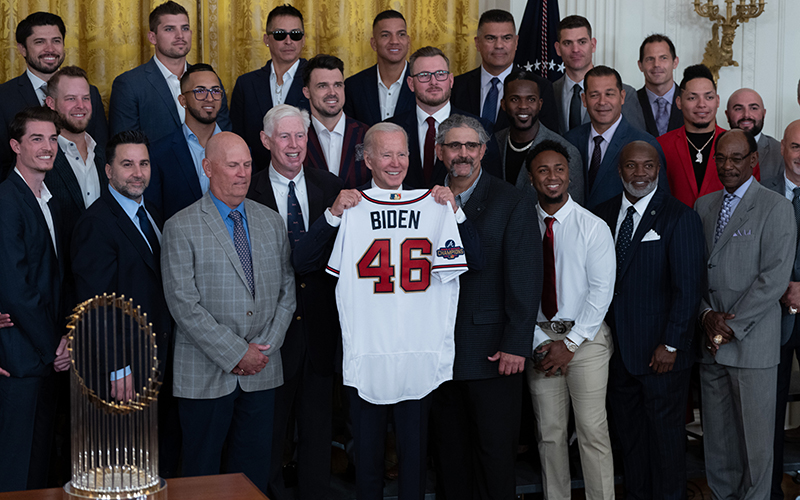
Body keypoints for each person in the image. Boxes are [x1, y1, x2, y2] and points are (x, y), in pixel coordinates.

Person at [292, 121, 482, 500]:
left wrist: (455, 212)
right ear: (368, 160)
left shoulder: (435, 204)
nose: (395, 162)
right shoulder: (351, 206)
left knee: (414, 456)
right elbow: (302, 260)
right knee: (368, 459)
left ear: (411, 158)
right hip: (367, 352)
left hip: (417, 352)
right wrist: (333, 213)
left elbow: (474, 260)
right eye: (386, 154)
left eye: (402, 154)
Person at [161, 132, 295, 493]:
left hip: (263, 372)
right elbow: (183, 304)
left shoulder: (271, 221)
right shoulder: (180, 226)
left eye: (248, 165)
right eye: (232, 165)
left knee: (252, 475)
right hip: (205, 374)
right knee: (201, 476)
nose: (242, 174)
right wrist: (238, 353)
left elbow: (287, 291)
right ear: (207, 168)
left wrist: (264, 348)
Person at [430, 114, 539, 500]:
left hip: (494, 353)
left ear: (483, 151)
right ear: (440, 151)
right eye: (454, 146)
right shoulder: (421, 200)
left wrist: (516, 343)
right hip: (439, 354)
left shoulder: (511, 200)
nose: (463, 154)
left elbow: (525, 278)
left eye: (471, 146)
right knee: (449, 456)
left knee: (494, 456)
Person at [594, 141, 704, 500]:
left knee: (667, 442)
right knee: (631, 442)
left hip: (662, 355)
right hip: (617, 352)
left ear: (659, 169)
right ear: (619, 169)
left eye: (648, 166)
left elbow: (688, 288)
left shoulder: (679, 216)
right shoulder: (602, 214)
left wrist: (671, 343)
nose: (639, 174)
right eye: (631, 166)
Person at [70, 130, 180, 478]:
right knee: (120, 463)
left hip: (158, 361)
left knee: (153, 460)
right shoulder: (96, 223)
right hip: (122, 370)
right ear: (108, 171)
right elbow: (96, 305)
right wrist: (117, 368)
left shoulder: (154, 216)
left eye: (144, 164)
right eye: (127, 164)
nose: (137, 173)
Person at [245, 104, 342, 500]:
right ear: (267, 141)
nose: (294, 144)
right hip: (268, 333)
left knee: (318, 431)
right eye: (284, 136)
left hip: (320, 329)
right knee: (268, 431)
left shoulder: (331, 187)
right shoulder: (246, 189)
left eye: (300, 136)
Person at [695, 128, 795, 500]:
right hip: (711, 344)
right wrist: (707, 317)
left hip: (751, 345)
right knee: (718, 447)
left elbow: (774, 278)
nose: (728, 165)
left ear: (753, 161)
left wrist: (728, 326)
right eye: (721, 158)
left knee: (755, 449)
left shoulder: (775, 207)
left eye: (737, 158)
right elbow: (693, 273)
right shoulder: (703, 206)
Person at [524, 139, 616, 500]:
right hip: (541, 341)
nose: (552, 176)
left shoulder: (592, 226)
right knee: (549, 435)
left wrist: (572, 344)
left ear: (570, 175)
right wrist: (539, 342)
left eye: (559, 169)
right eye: (543, 170)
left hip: (587, 340)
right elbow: (515, 291)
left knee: (593, 431)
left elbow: (601, 291)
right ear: (531, 178)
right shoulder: (522, 225)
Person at [0, 107, 69, 492]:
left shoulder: (51, 200)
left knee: (40, 466)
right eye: (37, 139)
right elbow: (16, 287)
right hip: (21, 359)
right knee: (15, 470)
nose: (48, 147)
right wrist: (53, 346)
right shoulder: (7, 200)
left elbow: (55, 280)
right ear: (16, 146)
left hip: (44, 359)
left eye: (53, 139)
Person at [0, 12, 107, 179]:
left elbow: (101, 150)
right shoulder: (4, 97)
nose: (50, 49)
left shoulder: (90, 92)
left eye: (56, 41)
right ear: (22, 49)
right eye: (39, 42)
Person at [109, 1, 231, 145]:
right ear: (152, 37)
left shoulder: (211, 80)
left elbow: (224, 136)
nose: (180, 35)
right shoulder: (129, 84)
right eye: (169, 29)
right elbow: (125, 148)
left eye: (185, 28)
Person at [388, 46, 497, 188]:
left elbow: (493, 187)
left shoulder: (480, 128)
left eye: (440, 74)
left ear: (451, 80)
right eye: (424, 75)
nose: (433, 82)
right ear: (410, 84)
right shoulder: (391, 128)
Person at [563, 65, 668, 210]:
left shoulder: (645, 144)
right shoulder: (569, 141)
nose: (602, 102)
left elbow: (660, 203)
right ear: (584, 99)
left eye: (609, 94)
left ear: (622, 97)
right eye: (594, 95)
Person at [761, 120, 800, 500]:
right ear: (783, 149)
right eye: (796, 146)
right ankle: (769, 491)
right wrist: (783, 289)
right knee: (769, 412)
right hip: (772, 318)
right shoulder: (764, 194)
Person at [451, 9, 558, 132]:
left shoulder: (541, 87)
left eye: (506, 38)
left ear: (516, 42)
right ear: (477, 43)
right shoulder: (457, 86)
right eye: (491, 38)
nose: (499, 46)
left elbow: (548, 140)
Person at [230, 4, 310, 171]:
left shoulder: (316, 80)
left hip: (306, 177)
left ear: (303, 39)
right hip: (257, 180)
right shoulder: (246, 84)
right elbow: (238, 138)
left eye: (295, 35)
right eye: (280, 34)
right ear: (267, 39)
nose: (288, 41)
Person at [145, 63, 224, 221]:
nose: (209, 98)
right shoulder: (159, 153)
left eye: (215, 91)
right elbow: (154, 213)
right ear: (182, 100)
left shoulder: (240, 150)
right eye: (200, 91)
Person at [495, 69, 584, 204]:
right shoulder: (492, 143)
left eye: (531, 99)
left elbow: (574, 209)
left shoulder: (566, 151)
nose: (523, 106)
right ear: (503, 104)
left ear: (540, 104)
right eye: (514, 99)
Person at [43, 66, 107, 251]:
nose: (81, 105)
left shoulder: (104, 156)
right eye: (71, 99)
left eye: (85, 98)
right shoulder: (41, 159)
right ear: (51, 103)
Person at [552, 15, 645, 135]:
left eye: (582, 42)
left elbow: (637, 143)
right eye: (567, 43)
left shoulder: (626, 93)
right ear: (558, 49)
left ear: (593, 45)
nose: (575, 49)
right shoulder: (549, 91)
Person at [657, 64, 727, 208]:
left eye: (709, 97)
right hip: (675, 227)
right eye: (692, 98)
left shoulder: (735, 144)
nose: (701, 104)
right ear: (679, 102)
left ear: (717, 101)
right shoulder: (661, 146)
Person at [301, 54, 371, 188]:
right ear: (307, 92)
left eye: (337, 85)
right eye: (322, 86)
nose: (332, 92)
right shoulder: (297, 137)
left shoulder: (367, 134)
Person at [343, 10, 415, 126]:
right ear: (374, 44)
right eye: (385, 35)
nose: (394, 41)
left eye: (401, 34)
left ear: (408, 41)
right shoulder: (354, 86)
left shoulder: (423, 82)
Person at [726, 87, 783, 180]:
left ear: (763, 113)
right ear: (727, 115)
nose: (746, 115)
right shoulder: (715, 149)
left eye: (753, 108)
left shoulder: (780, 153)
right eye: (738, 109)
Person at [636, 34, 683, 137]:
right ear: (640, 65)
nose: (656, 64)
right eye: (650, 59)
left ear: (675, 62)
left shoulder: (691, 101)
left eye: (663, 58)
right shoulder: (630, 103)